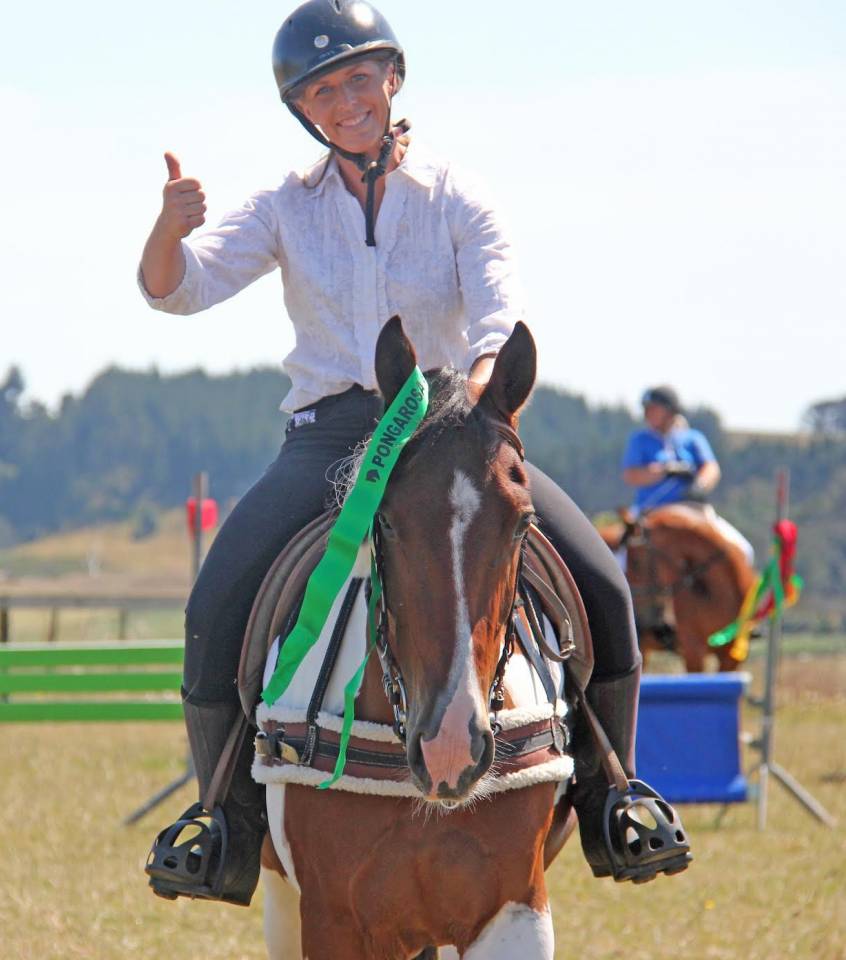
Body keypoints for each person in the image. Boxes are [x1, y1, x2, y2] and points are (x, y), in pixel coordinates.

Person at [139, 0, 688, 906]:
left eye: (359, 77)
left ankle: (609, 798)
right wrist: (169, 226)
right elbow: (179, 290)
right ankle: (226, 823)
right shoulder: (284, 203)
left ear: (392, 78)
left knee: (605, 586)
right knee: (215, 605)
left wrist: (475, 401)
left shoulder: (460, 195)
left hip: (450, 430)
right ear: (304, 110)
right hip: (330, 439)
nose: (345, 100)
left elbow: (500, 313)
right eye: (323, 90)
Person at [623, 385, 755, 562]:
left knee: (744, 551)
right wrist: (665, 471)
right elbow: (631, 475)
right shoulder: (639, 440)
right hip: (649, 512)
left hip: (692, 510)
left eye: (653, 408)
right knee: (619, 557)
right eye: (645, 408)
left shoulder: (693, 438)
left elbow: (711, 468)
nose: (647, 413)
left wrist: (698, 485)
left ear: (670, 410)